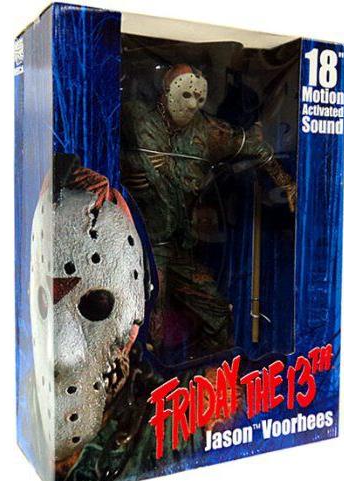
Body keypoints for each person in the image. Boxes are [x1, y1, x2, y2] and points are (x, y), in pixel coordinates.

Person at [121, 63, 296, 363]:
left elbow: (258, 148)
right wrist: (125, 166)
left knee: (216, 310)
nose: (192, 105)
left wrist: (288, 184)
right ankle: (144, 378)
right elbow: (97, 134)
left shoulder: (209, 132)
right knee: (148, 313)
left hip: (179, 246)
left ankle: (214, 373)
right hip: (137, 245)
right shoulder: (135, 117)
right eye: (185, 95)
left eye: (199, 98)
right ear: (165, 92)